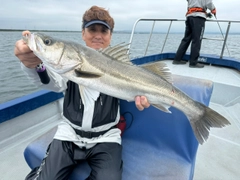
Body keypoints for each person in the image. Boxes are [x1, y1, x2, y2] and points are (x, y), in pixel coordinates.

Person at [14, 5, 150, 180]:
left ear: (110, 36)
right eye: (92, 29)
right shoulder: (67, 65)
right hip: (69, 134)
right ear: (83, 33)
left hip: (106, 137)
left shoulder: (123, 66)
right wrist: (32, 65)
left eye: (104, 31)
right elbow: (50, 81)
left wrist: (144, 98)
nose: (98, 35)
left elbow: (135, 89)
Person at [172, 0, 216, 68]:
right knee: (197, 40)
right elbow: (208, 3)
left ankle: (177, 59)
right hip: (198, 18)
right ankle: (193, 63)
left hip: (189, 17)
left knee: (186, 39)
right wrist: (213, 9)